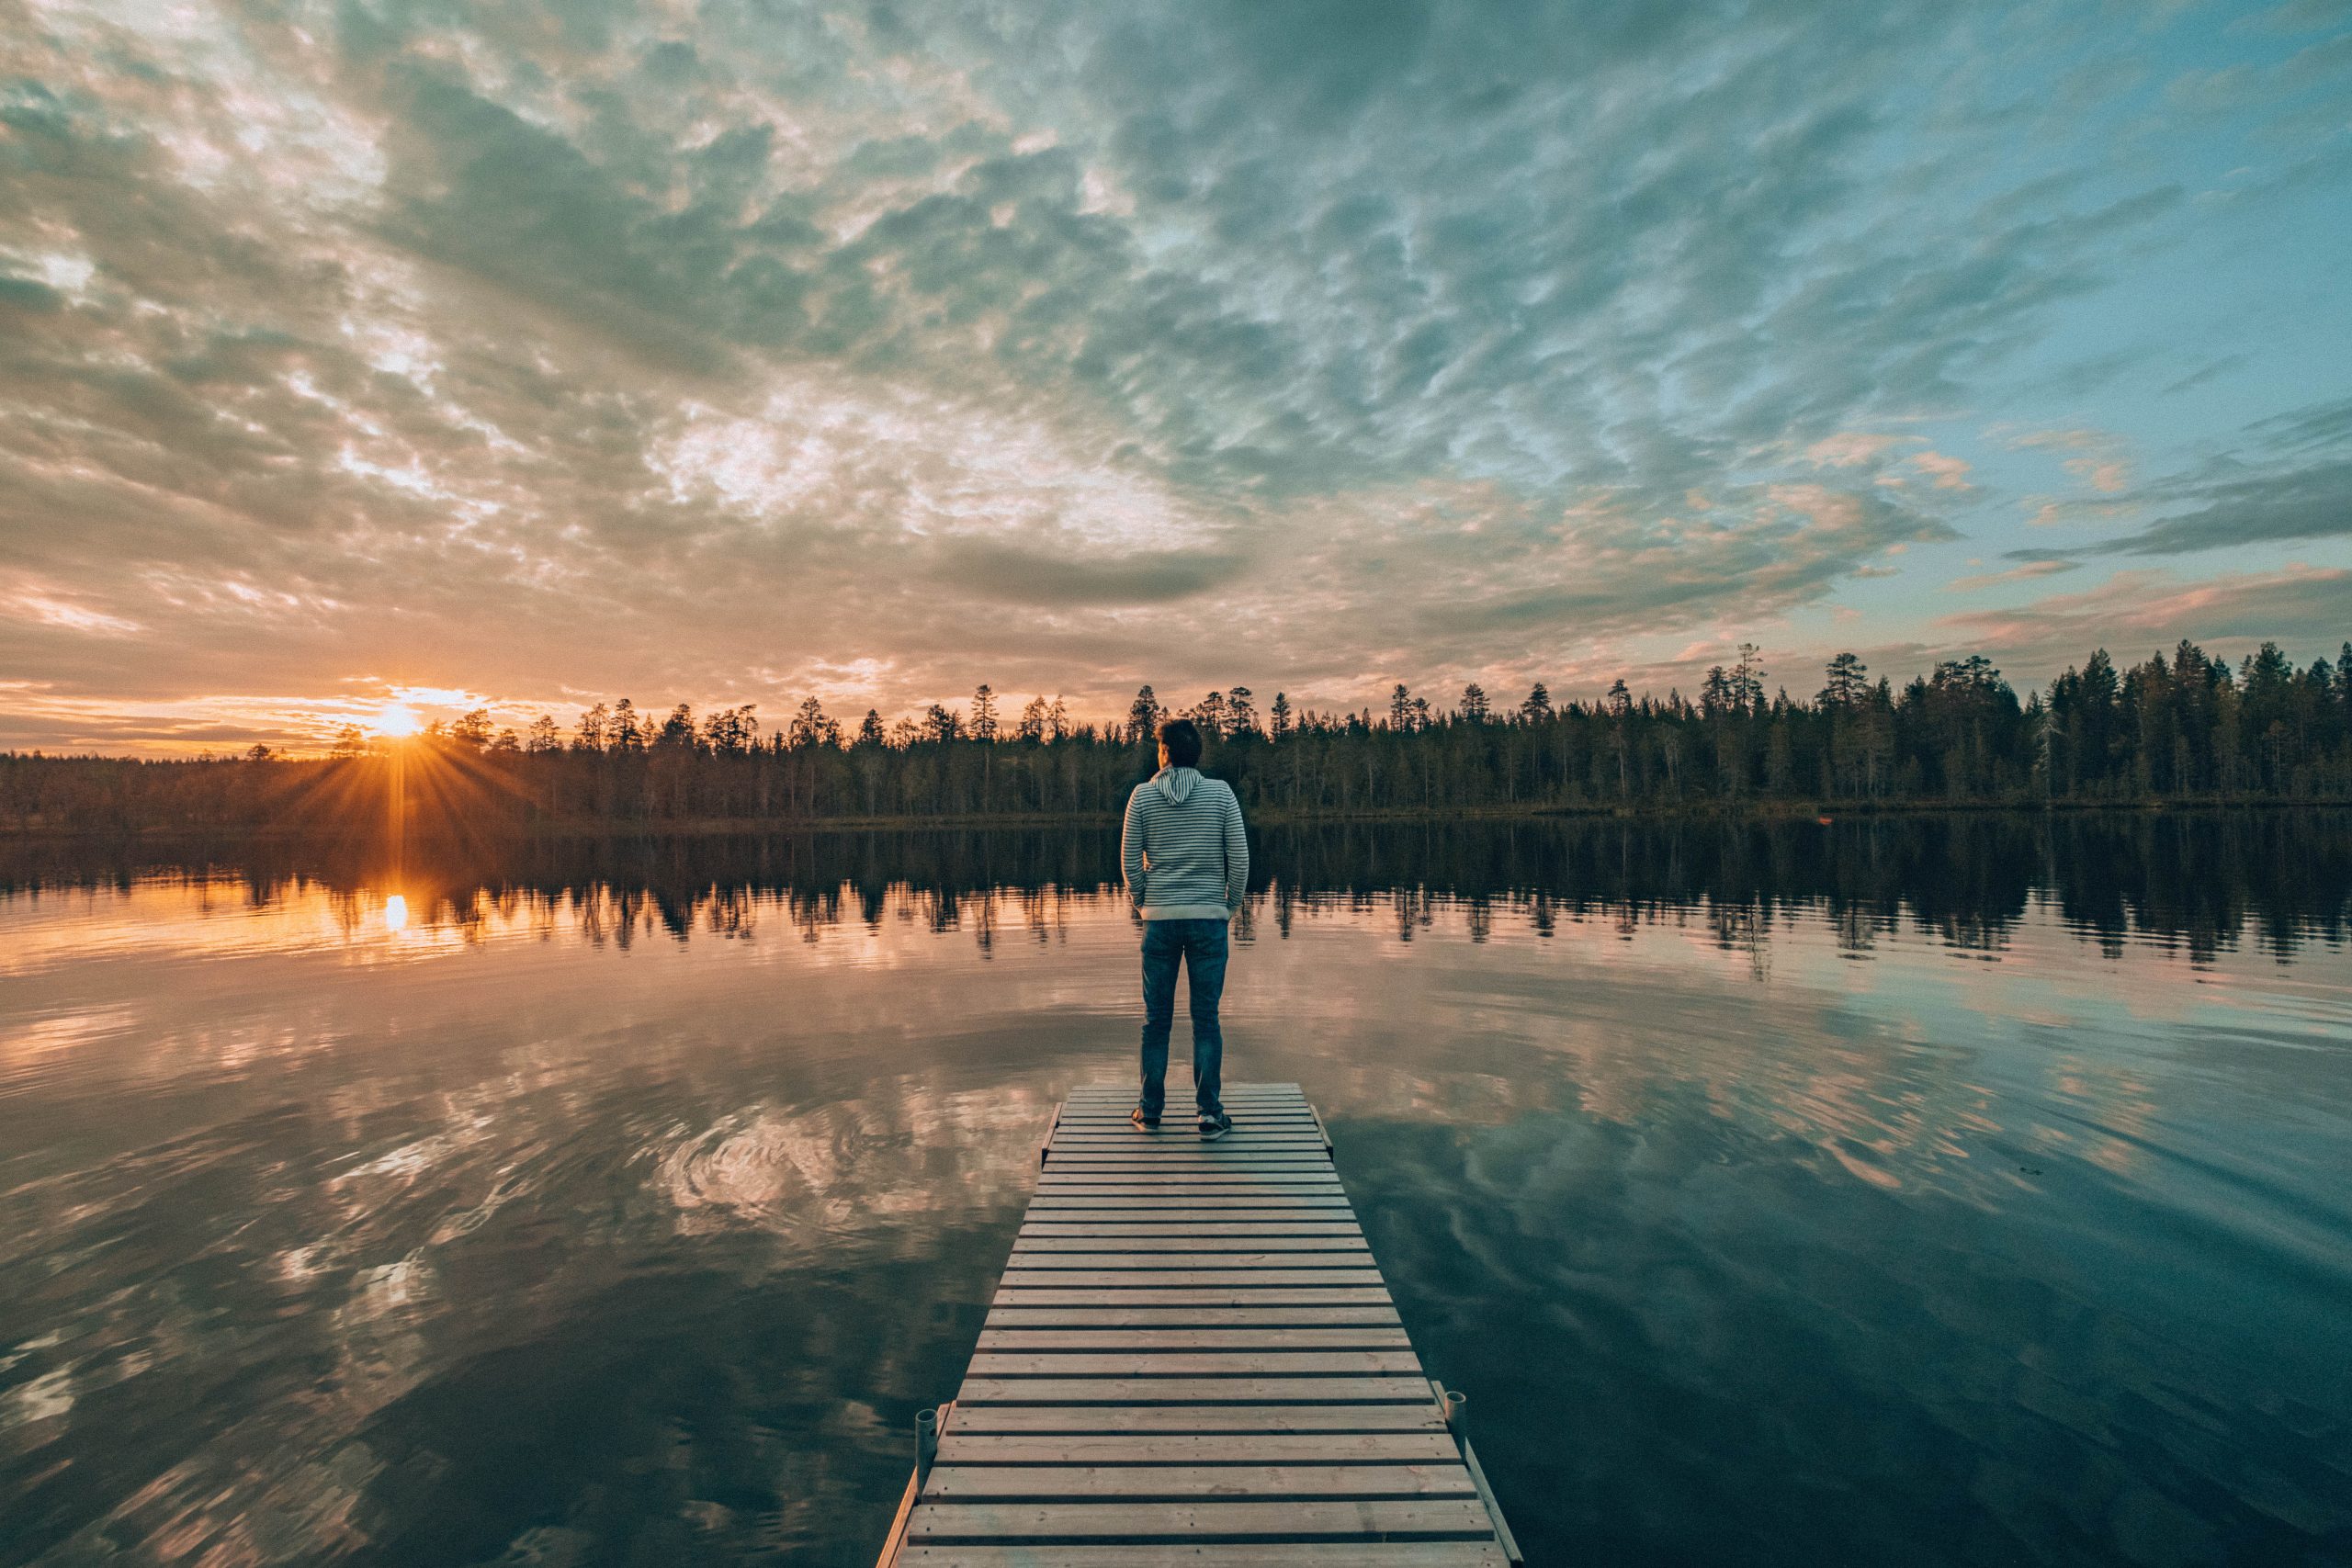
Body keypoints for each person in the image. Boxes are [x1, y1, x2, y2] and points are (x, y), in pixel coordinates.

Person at [1120, 717, 1249, 1138]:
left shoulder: (1141, 797)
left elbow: (1128, 862)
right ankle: (1209, 1114)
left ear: (1164, 753)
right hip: (1208, 921)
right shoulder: (1221, 794)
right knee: (1206, 1019)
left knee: (1155, 1020)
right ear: (1196, 755)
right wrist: (1227, 906)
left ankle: (1150, 1110)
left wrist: (1144, 903)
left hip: (1160, 921)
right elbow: (1240, 859)